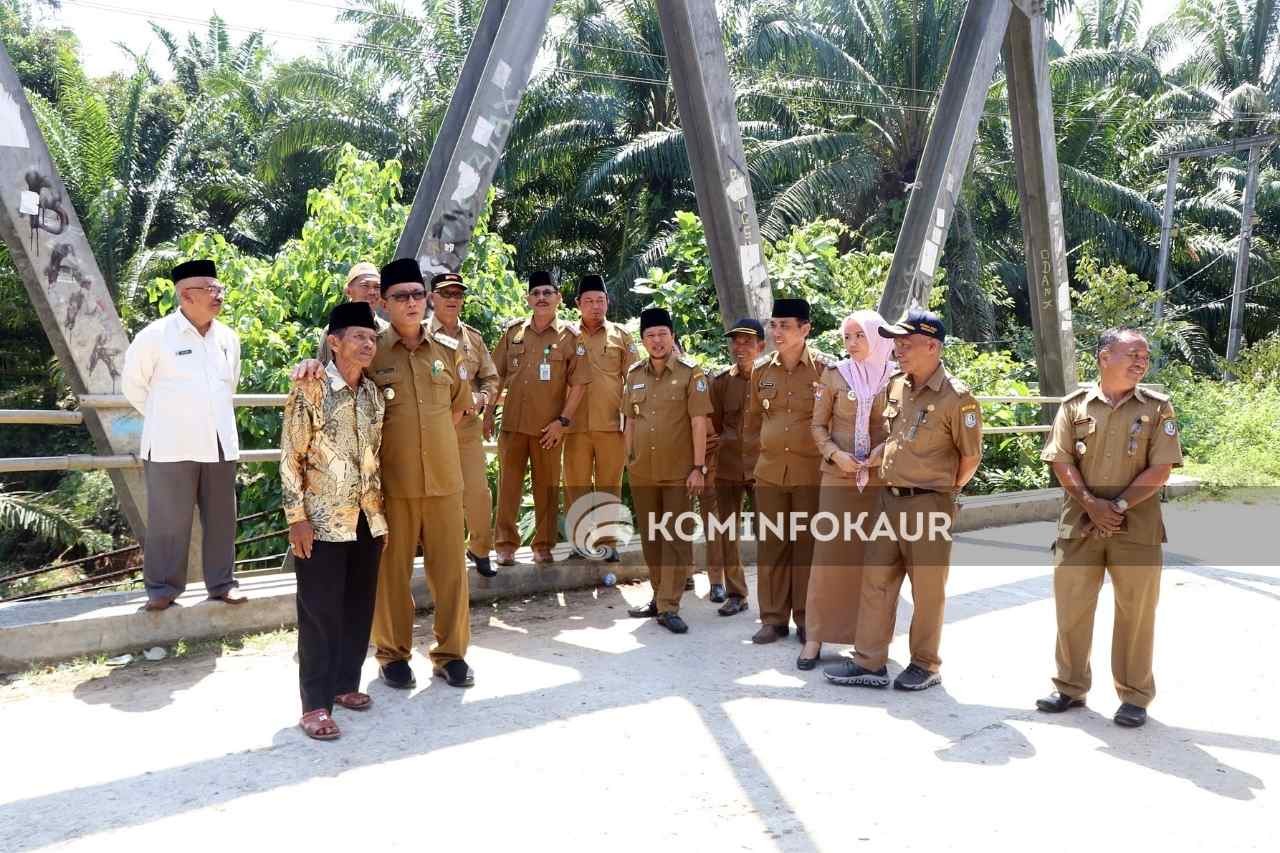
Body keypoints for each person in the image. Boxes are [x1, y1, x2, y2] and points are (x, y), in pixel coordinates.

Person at [290, 258, 476, 689]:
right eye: (400, 296)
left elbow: (458, 408)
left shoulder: (448, 351)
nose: (411, 302)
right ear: (384, 303)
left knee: (451, 573)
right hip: (390, 486)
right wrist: (308, 364)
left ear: (427, 299)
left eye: (417, 294)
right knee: (391, 576)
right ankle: (393, 655)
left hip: (444, 481)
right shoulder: (373, 351)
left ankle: (451, 655)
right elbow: (336, 377)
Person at [824, 308, 982, 691]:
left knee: (926, 590)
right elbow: (897, 437)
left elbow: (971, 457)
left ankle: (925, 664)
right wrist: (878, 456)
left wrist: (943, 493)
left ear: (933, 347)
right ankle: (869, 662)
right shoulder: (897, 385)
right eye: (896, 343)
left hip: (929, 504)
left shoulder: (957, 398)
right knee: (876, 580)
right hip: (888, 498)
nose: (898, 350)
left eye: (907, 343)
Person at [1035, 328, 1182, 728]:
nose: (1141, 361)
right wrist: (1090, 504)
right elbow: (1061, 460)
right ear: (1104, 357)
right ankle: (1069, 686)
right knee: (1071, 608)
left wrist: (1115, 506)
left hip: (1136, 528)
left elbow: (1161, 468)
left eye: (1145, 356)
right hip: (1079, 526)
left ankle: (1134, 696)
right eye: (1132, 354)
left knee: (1136, 613)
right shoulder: (1074, 405)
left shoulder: (1157, 408)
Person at [281, 302, 387, 741]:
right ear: (334, 342)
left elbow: (374, 458)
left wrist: (381, 518)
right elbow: (291, 458)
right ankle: (315, 705)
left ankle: (345, 684)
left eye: (372, 338)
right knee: (319, 612)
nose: (367, 344)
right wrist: (296, 518)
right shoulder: (310, 389)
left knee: (358, 606)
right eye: (358, 336)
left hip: (367, 517)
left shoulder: (373, 394)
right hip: (321, 521)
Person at [122, 259, 246, 611]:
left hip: (219, 443)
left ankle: (223, 584)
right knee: (168, 521)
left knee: (222, 519)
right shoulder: (155, 336)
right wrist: (167, 419)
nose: (218, 295)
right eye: (210, 289)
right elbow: (133, 386)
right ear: (186, 295)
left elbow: (230, 385)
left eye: (219, 289)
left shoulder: (228, 338)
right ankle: (162, 589)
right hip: (170, 444)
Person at [797, 310, 895, 670]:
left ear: (877, 337)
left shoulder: (897, 378)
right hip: (838, 478)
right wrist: (836, 455)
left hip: (879, 480)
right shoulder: (835, 374)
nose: (852, 343)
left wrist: (880, 453)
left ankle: (865, 641)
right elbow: (817, 426)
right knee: (828, 559)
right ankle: (814, 639)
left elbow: (902, 428)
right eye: (847, 337)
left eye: (859, 336)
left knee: (873, 563)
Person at [486, 271, 590, 566]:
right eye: (536, 293)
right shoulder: (513, 333)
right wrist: (488, 413)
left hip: (549, 428)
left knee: (546, 488)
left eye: (547, 292)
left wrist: (562, 423)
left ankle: (543, 544)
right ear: (528, 299)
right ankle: (505, 545)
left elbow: (579, 384)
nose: (541, 298)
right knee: (508, 488)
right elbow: (495, 376)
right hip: (513, 426)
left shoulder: (571, 337)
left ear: (558, 298)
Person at [746, 298, 832, 644]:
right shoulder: (761, 370)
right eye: (774, 325)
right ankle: (773, 619)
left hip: (810, 473)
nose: (777, 332)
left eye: (785, 325)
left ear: (805, 329)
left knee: (807, 548)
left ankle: (807, 618)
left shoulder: (825, 370)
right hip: (769, 473)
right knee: (771, 547)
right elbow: (755, 420)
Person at [623, 307, 712, 634]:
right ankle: (659, 597)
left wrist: (698, 467)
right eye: (650, 335)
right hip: (643, 471)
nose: (657, 340)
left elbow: (698, 423)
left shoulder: (691, 373)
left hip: (678, 471)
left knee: (673, 537)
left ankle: (669, 606)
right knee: (651, 537)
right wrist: (628, 460)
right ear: (643, 340)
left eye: (662, 334)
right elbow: (630, 421)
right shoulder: (634, 374)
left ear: (673, 336)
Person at [428, 271, 501, 577]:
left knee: (477, 493)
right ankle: (446, 557)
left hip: (467, 429)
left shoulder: (473, 338)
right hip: (432, 431)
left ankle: (480, 549)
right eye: (446, 293)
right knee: (439, 498)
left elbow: (491, 378)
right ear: (432, 298)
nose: (452, 299)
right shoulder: (418, 336)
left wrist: (482, 399)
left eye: (457, 294)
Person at [562, 274, 637, 562]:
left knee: (609, 485)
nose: (595, 306)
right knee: (576, 485)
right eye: (589, 301)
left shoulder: (621, 336)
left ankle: (608, 543)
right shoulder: (566, 336)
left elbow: (634, 380)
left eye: (600, 301)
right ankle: (579, 543)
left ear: (607, 302)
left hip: (611, 425)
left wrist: (631, 422)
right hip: (575, 426)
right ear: (578, 304)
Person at [700, 318, 766, 616]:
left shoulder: (770, 379)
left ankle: (774, 600)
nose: (740, 347)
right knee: (727, 533)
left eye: (747, 342)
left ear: (760, 346)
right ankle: (737, 594)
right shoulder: (721, 382)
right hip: (727, 466)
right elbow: (713, 425)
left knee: (771, 535)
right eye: (736, 342)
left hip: (763, 467)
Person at [314, 261, 388, 364]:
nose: (372, 292)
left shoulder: (388, 330)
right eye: (365, 286)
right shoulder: (334, 332)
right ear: (349, 291)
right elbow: (325, 370)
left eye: (377, 287)